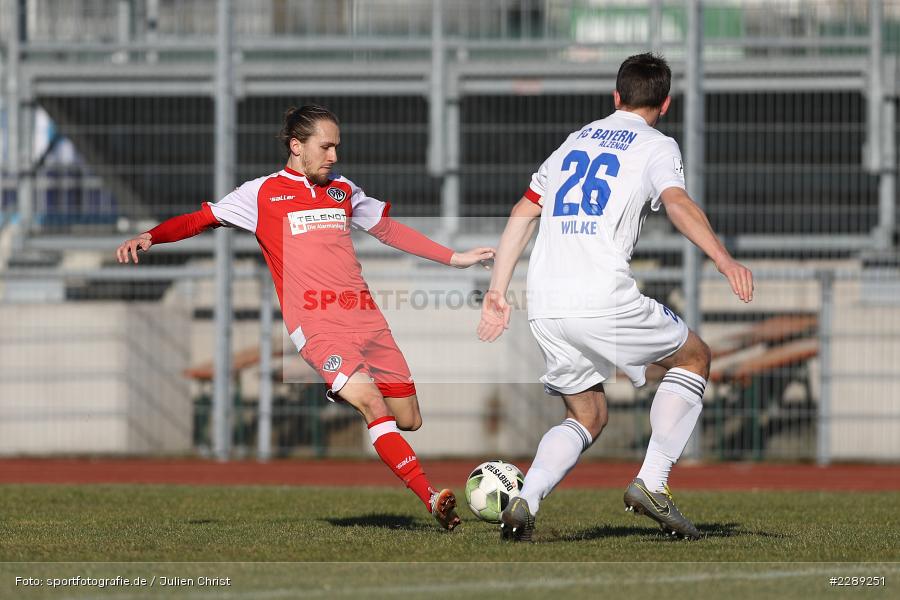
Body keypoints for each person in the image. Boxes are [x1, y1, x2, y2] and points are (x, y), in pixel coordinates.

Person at [117, 104, 494, 531]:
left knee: (409, 419)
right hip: (316, 324)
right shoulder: (261, 193)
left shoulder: (343, 190)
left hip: (366, 319)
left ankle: (342, 388)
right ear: (297, 146)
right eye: (326, 146)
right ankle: (431, 497)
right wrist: (151, 235)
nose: (334, 156)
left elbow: (390, 230)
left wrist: (455, 258)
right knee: (372, 404)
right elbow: (200, 219)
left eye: (337, 147)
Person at [477, 53, 753, 541]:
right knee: (693, 357)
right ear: (665, 103)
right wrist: (723, 258)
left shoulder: (573, 141)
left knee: (587, 414)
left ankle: (527, 497)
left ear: (615, 96)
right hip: (601, 295)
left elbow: (525, 209)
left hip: (545, 301)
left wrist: (498, 289)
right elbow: (678, 202)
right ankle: (652, 481)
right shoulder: (656, 145)